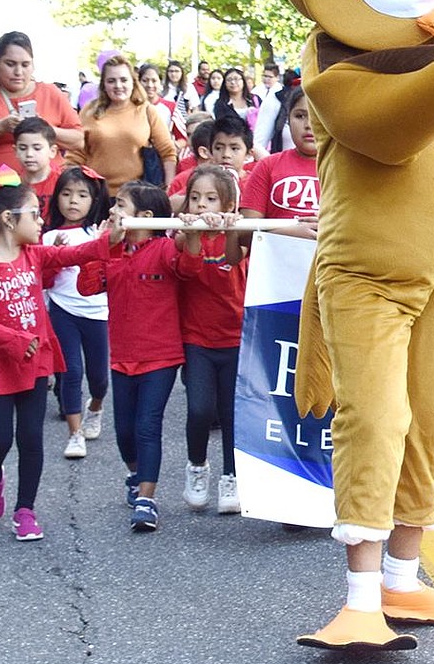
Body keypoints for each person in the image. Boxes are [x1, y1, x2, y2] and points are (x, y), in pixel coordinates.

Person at [0, 165, 112, 541]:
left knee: (31, 439)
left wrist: (113, 237)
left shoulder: (35, 254)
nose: (42, 220)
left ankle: (25, 509)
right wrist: (10, 340)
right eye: (33, 214)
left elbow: (78, 253)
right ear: (9, 220)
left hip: (36, 362)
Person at [76, 182, 203, 532]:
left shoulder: (163, 248)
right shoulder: (112, 250)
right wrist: (102, 246)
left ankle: (148, 498)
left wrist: (192, 235)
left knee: (148, 426)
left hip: (161, 356)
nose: (113, 211)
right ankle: (135, 473)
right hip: (122, 356)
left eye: (120, 205)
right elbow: (87, 286)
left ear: (145, 216)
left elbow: (191, 268)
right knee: (124, 432)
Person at [177, 166, 246, 514]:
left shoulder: (239, 234)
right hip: (198, 339)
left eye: (211, 198)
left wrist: (231, 228)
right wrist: (191, 235)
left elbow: (232, 259)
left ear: (229, 204)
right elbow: (188, 270)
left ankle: (231, 476)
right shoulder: (182, 235)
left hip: (235, 338)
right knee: (200, 409)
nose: (202, 206)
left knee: (232, 413)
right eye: (195, 198)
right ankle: (197, 466)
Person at [42, 166, 112, 461]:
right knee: (70, 372)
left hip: (98, 312)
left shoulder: (101, 232)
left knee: (99, 378)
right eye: (66, 194)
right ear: (56, 198)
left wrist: (105, 241)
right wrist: (54, 257)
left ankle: (95, 407)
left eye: (82, 195)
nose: (73, 201)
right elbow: (44, 281)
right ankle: (74, 434)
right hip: (62, 310)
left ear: (94, 200)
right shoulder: (47, 237)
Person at [0, 31, 83, 175]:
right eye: (10, 64)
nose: (18, 72)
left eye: (25, 65)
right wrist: (0, 126)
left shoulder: (51, 93)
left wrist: (44, 128)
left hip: (47, 189)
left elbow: (78, 140)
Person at [67, 54, 176, 195]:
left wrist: (168, 189)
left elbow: (168, 153)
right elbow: (76, 154)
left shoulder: (147, 111)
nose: (118, 86)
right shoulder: (88, 111)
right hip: (96, 195)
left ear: (133, 82)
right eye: (111, 81)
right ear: (104, 85)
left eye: (123, 80)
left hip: (137, 198)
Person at [236, 87, 320, 244]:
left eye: (317, 115)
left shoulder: (347, 170)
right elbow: (244, 235)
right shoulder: (267, 166)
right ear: (288, 119)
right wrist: (287, 233)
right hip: (277, 265)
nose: (309, 124)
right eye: (300, 116)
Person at [13, 118, 60, 219]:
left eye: (37, 148)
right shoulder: (10, 185)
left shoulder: (62, 183)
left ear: (52, 151)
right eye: (23, 148)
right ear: (15, 151)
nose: (29, 154)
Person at [139, 63, 187, 154]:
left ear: (160, 82)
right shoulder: (131, 107)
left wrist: (174, 146)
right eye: (145, 80)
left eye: (154, 81)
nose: (149, 85)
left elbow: (183, 138)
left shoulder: (171, 107)